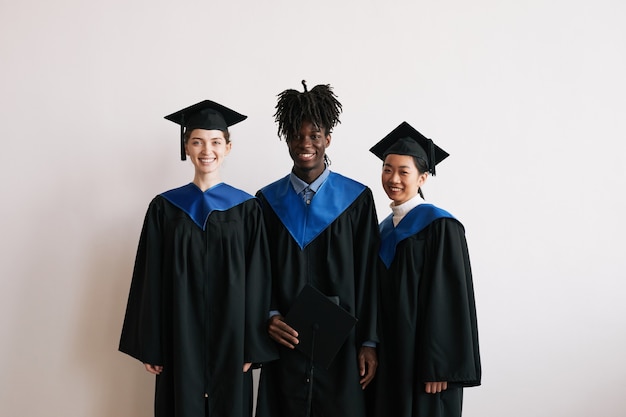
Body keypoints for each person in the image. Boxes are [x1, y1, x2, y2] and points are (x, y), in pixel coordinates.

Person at [119, 100, 277, 417]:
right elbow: (150, 279)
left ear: (228, 147)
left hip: (232, 339)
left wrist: (251, 345)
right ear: (187, 147)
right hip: (179, 335)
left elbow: (259, 279)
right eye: (198, 141)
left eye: (216, 142)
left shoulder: (247, 209)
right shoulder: (164, 208)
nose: (207, 150)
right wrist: (153, 343)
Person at [255, 81, 380, 417]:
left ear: (328, 138)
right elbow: (257, 271)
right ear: (287, 139)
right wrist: (268, 315)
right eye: (297, 135)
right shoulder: (267, 202)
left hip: (342, 348)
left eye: (315, 135)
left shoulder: (356, 200)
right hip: (286, 345)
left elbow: (369, 275)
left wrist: (369, 342)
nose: (305, 143)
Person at [367, 121, 481, 417]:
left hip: (426, 367)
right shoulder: (380, 231)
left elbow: (450, 300)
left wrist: (440, 366)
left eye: (404, 171)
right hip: (390, 360)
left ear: (423, 178)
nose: (393, 178)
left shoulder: (440, 226)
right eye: (387, 169)